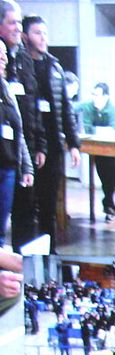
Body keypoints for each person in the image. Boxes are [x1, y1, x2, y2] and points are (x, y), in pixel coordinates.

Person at [10, 15, 76, 250]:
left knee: (50, 205)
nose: (43, 38)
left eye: (45, 33)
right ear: (25, 36)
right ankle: (25, 254)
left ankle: (50, 251)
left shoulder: (55, 66)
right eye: (37, 33)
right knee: (27, 206)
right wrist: (37, 146)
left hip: (53, 146)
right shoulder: (19, 65)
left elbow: (65, 107)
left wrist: (73, 143)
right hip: (29, 146)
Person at [0, 3, 33, 247]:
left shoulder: (6, 89)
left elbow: (18, 129)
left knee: (2, 232)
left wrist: (27, 166)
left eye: (4, 55)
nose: (3, 59)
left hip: (9, 167)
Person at [75, 81, 115, 221]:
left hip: (111, 148)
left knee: (111, 177)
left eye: (97, 95)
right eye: (93, 94)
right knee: (104, 174)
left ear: (106, 96)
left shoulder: (112, 109)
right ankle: (109, 205)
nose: (95, 98)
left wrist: (100, 131)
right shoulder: (88, 106)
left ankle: (109, 203)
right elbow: (72, 109)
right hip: (94, 146)